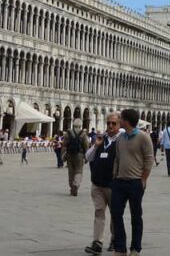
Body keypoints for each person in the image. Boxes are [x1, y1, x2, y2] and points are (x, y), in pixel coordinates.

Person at [109, 108, 154, 256]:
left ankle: (135, 248)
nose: (119, 120)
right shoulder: (120, 138)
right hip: (119, 182)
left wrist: (143, 179)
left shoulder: (143, 137)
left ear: (127, 121)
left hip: (135, 182)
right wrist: (115, 176)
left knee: (136, 216)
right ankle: (120, 248)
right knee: (116, 214)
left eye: (121, 118)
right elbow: (117, 159)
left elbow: (149, 160)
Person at [85, 113, 120, 255]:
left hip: (113, 185)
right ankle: (97, 242)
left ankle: (114, 239)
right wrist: (95, 145)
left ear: (119, 125)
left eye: (113, 123)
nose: (110, 126)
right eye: (108, 123)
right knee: (99, 212)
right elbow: (88, 157)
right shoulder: (101, 140)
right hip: (97, 184)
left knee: (115, 213)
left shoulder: (121, 141)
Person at [64, 118, 89, 196]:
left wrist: (63, 156)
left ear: (73, 125)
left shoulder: (68, 133)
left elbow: (64, 145)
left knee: (71, 171)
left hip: (69, 155)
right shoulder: (83, 134)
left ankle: (71, 187)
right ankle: (76, 185)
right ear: (80, 125)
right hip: (79, 155)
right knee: (78, 171)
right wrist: (86, 156)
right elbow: (86, 146)